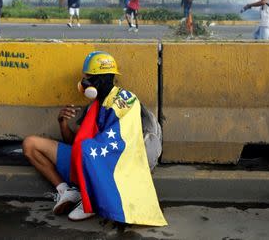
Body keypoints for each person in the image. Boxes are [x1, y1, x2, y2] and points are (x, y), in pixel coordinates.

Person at [23, 51, 167, 226]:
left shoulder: (126, 101)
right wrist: (62, 123)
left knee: (87, 149)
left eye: (88, 79)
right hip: (85, 159)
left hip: (113, 166)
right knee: (30, 144)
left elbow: (121, 142)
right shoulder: (93, 106)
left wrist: (88, 148)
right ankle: (67, 191)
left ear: (100, 80)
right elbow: (75, 143)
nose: (84, 83)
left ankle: (90, 198)